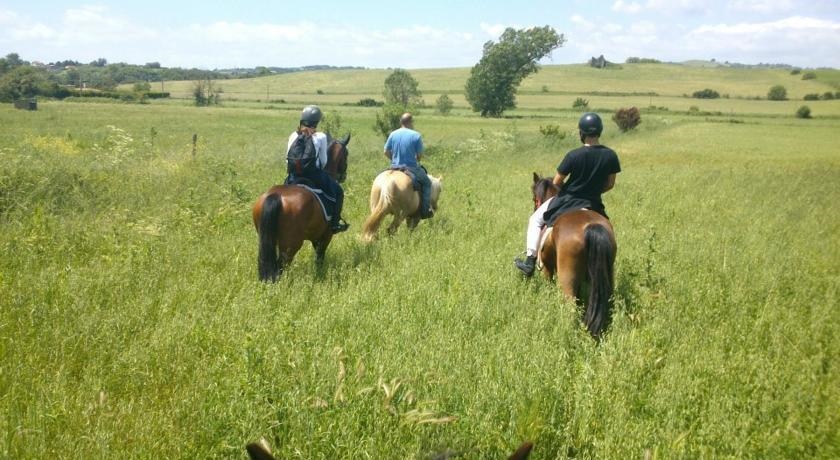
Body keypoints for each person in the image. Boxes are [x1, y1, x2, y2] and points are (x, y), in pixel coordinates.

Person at [514, 112, 621, 276]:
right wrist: (592, 191)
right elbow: (610, 184)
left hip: (568, 200)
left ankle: (530, 261)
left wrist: (572, 191)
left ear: (581, 133)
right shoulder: (610, 156)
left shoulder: (573, 155)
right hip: (593, 203)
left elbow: (556, 182)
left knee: (535, 219)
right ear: (599, 131)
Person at [285, 105, 349, 233]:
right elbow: (324, 160)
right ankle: (335, 224)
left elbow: (287, 158)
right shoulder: (320, 136)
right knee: (338, 192)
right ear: (317, 121)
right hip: (313, 175)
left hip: (294, 175)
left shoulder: (293, 135)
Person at [384, 112, 434, 219]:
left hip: (394, 167)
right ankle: (425, 211)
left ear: (401, 122)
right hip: (411, 167)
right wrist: (416, 159)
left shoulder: (393, 134)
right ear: (410, 122)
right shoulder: (416, 135)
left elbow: (386, 151)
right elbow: (419, 156)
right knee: (427, 183)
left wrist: (394, 160)